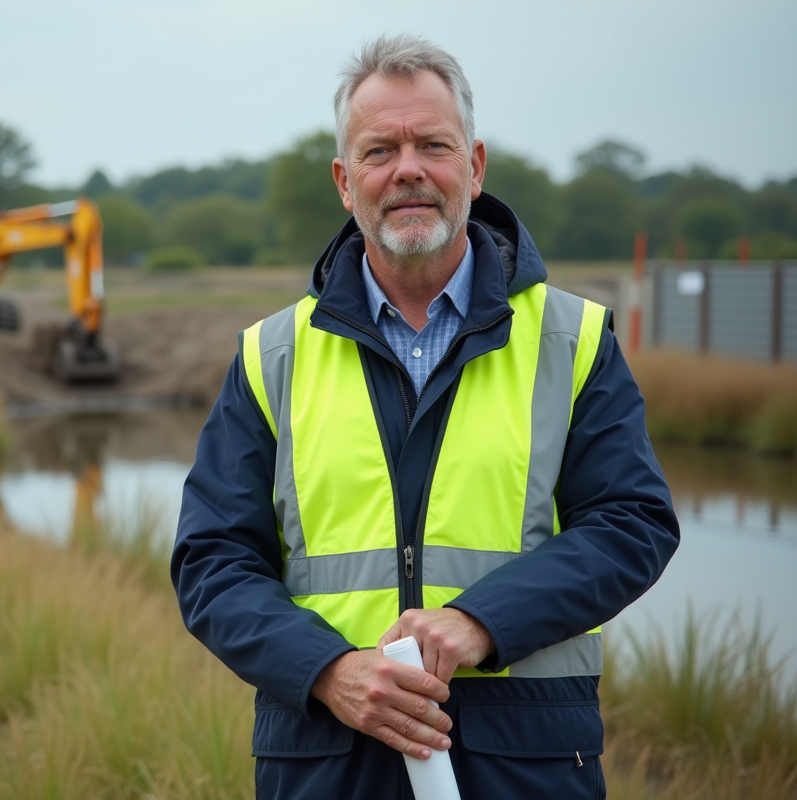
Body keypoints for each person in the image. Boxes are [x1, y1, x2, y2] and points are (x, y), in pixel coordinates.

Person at [171, 34, 679, 800]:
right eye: (380, 151)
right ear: (347, 182)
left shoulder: (572, 341)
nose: (408, 168)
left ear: (473, 166)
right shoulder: (271, 356)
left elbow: (633, 523)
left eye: (432, 145)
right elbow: (212, 562)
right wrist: (326, 670)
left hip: (525, 764)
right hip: (326, 763)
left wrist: (482, 620)